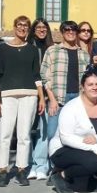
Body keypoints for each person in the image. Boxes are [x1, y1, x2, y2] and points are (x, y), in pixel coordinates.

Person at [0, 15, 45, 187]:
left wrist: (41, 97)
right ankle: (3, 170)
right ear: (14, 27)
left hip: (29, 95)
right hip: (6, 96)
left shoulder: (32, 50)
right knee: (4, 134)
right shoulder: (2, 48)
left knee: (24, 135)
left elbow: (37, 76)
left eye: (26, 26)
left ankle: (22, 170)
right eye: (20, 25)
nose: (22, 28)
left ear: (28, 30)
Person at [48, 71, 97, 193]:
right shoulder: (71, 107)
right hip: (64, 149)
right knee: (93, 162)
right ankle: (60, 174)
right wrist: (94, 147)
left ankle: (96, 179)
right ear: (82, 87)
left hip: (90, 148)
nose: (95, 87)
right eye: (90, 84)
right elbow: (66, 138)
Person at [41, 21, 91, 178]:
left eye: (73, 30)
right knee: (52, 135)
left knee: (75, 137)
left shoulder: (83, 54)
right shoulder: (52, 51)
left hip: (77, 101)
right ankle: (54, 168)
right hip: (58, 99)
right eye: (67, 29)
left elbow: (87, 80)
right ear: (62, 32)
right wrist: (52, 99)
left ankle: (66, 169)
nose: (70, 32)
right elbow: (44, 75)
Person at [27, 18, 54, 181]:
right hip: (29, 93)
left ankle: (41, 165)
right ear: (33, 29)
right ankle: (30, 164)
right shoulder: (28, 47)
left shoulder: (52, 48)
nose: (42, 30)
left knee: (44, 131)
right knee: (28, 131)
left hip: (46, 93)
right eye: (38, 27)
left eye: (44, 27)